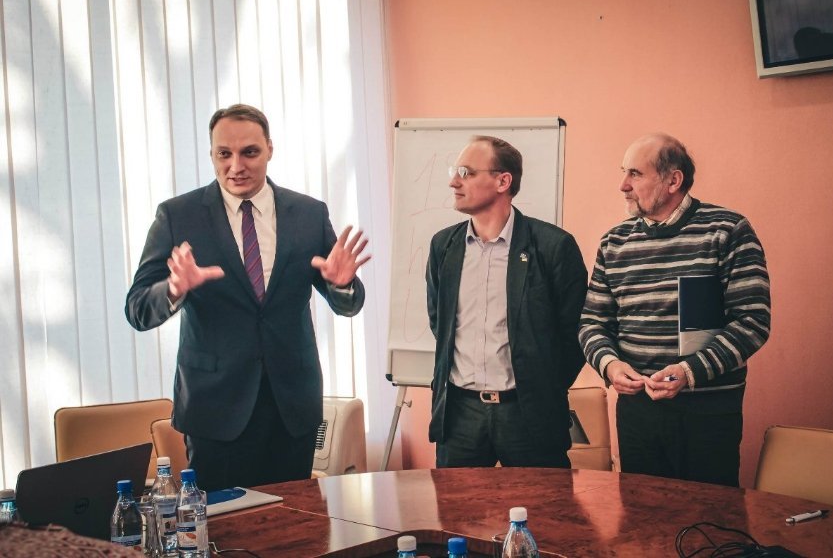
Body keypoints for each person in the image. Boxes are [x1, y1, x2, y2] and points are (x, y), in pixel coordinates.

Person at [125, 104, 369, 491]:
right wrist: (174, 289)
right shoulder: (178, 216)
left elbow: (348, 303)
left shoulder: (308, 214)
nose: (236, 166)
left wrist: (342, 285)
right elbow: (137, 309)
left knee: (294, 521)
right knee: (224, 524)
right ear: (211, 154)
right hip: (215, 410)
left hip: (293, 408)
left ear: (270, 148)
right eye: (224, 154)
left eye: (249, 152)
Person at [579, 133, 771, 487]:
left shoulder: (728, 230)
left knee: (710, 514)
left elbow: (752, 322)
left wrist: (688, 371)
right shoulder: (614, 242)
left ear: (673, 180)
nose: (623, 185)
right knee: (642, 513)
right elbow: (592, 322)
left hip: (708, 412)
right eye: (624, 172)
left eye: (635, 174)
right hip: (638, 412)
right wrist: (610, 365)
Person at [426, 136, 587, 468]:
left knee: (543, 501)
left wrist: (543, 387)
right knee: (457, 503)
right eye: (454, 171)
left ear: (503, 181)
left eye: (466, 172)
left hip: (528, 414)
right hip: (460, 416)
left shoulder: (553, 247)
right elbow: (438, 321)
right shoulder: (444, 246)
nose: (454, 182)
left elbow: (576, 334)